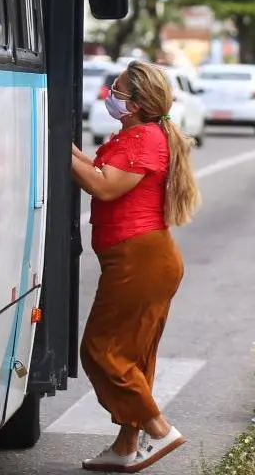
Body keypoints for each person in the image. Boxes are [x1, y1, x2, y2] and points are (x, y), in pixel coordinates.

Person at [70, 60, 200, 473]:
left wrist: (56, 144)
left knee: (100, 349)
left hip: (139, 258)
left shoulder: (144, 138)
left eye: (119, 90)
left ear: (137, 105)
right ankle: (127, 446)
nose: (111, 92)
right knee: (134, 355)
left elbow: (103, 186)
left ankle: (157, 428)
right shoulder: (138, 133)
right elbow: (93, 168)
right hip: (142, 258)